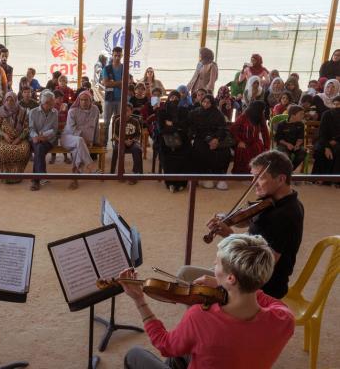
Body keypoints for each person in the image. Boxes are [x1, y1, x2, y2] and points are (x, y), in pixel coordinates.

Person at [121, 233, 294, 369]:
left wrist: (139, 300)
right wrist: (224, 284)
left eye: (217, 264)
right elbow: (266, 299)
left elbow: (165, 345)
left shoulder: (200, 317)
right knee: (185, 351)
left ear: (231, 278)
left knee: (134, 355)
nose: (213, 264)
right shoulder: (284, 319)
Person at [181, 150, 304, 299]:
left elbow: (261, 265)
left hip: (257, 288)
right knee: (201, 275)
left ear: (281, 179)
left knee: (185, 276)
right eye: (253, 176)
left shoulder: (283, 216)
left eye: (260, 177)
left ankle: (209, 318)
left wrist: (230, 235)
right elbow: (249, 220)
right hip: (242, 275)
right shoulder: (278, 201)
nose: (253, 182)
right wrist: (227, 218)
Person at [189, 95, 231, 190]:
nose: (206, 104)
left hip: (217, 138)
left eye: (208, 102)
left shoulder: (218, 114)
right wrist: (209, 139)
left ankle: (221, 178)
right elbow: (196, 129)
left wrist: (216, 139)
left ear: (212, 104)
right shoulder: (196, 113)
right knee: (202, 150)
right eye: (204, 102)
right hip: (201, 138)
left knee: (225, 152)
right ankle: (206, 176)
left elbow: (222, 128)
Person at [60, 90, 101, 189]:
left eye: (86, 100)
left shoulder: (95, 110)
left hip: (85, 142)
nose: (84, 102)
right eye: (81, 100)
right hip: (68, 138)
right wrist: (84, 140)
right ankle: (90, 165)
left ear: (91, 100)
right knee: (79, 141)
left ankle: (75, 179)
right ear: (78, 100)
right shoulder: (72, 111)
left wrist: (96, 141)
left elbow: (96, 127)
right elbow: (71, 129)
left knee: (77, 150)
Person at [156, 91, 191, 192]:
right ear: (168, 98)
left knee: (185, 156)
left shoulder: (184, 111)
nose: (174, 100)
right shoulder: (162, 112)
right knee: (167, 158)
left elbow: (185, 127)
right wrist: (177, 127)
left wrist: (172, 124)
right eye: (172, 97)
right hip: (165, 140)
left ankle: (181, 183)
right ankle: (170, 183)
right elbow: (161, 129)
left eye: (176, 98)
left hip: (182, 140)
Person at [0, 92, 30, 182]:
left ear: (16, 100)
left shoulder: (23, 111)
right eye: (7, 100)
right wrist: (4, 135)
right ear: (5, 100)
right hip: (4, 138)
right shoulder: (0, 111)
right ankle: (6, 176)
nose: (9, 102)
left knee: (23, 149)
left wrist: (19, 138)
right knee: (3, 150)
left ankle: (17, 176)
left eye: (12, 100)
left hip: (20, 138)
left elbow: (27, 128)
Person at [29, 90, 58, 191]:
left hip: (49, 140)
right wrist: (36, 136)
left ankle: (36, 180)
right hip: (35, 139)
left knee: (39, 149)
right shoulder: (33, 112)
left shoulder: (54, 113)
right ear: (45, 103)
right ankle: (40, 176)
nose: (53, 104)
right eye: (51, 102)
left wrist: (45, 136)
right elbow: (31, 128)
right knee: (39, 148)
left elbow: (54, 130)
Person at [230, 101, 270, 174]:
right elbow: (233, 130)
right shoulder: (243, 117)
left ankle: (255, 173)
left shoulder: (260, 117)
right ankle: (242, 174)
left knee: (259, 148)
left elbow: (265, 132)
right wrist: (239, 141)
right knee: (242, 150)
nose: (263, 112)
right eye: (262, 110)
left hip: (254, 141)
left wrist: (267, 146)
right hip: (242, 141)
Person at [110, 103, 143, 183]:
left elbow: (138, 134)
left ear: (131, 112)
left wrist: (132, 141)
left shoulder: (135, 121)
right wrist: (123, 141)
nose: (125, 113)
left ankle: (135, 173)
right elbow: (115, 135)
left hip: (132, 142)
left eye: (127, 111)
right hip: (121, 142)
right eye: (123, 111)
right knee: (117, 149)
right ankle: (120, 173)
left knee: (137, 149)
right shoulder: (118, 121)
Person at [312, 95, 340, 183]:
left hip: (338, 141)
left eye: (339, 105)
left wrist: (335, 140)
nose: (336, 107)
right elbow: (322, 132)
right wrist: (327, 146)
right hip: (324, 140)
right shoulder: (326, 114)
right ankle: (318, 178)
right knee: (320, 150)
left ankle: (333, 180)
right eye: (334, 104)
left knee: (338, 150)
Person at [101, 46, 124, 144]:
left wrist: (113, 83)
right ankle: (104, 144)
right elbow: (106, 83)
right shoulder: (107, 68)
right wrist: (119, 83)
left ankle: (117, 144)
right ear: (112, 55)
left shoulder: (124, 67)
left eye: (119, 55)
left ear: (122, 55)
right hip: (109, 99)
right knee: (106, 122)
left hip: (121, 99)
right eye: (115, 55)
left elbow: (126, 83)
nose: (117, 58)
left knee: (118, 122)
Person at [275, 104, 306, 171]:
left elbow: (300, 138)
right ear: (293, 115)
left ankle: (291, 170)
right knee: (285, 156)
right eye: (301, 114)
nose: (303, 116)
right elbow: (278, 139)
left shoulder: (301, 124)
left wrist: (297, 145)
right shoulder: (282, 124)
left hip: (295, 145)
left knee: (302, 153)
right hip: (283, 145)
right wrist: (287, 144)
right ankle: (286, 171)